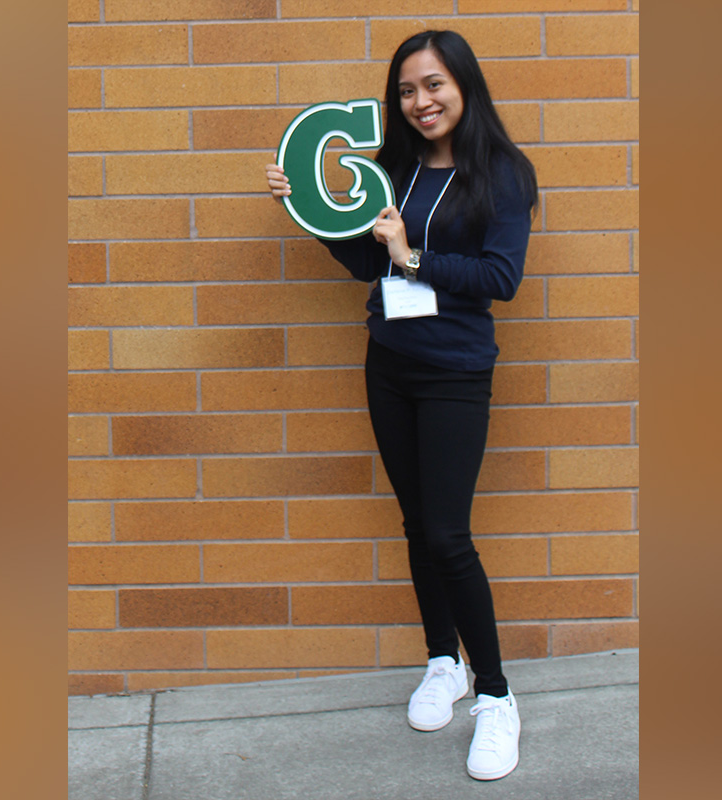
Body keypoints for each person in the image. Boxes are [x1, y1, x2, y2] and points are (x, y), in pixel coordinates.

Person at [265, 30, 538, 782]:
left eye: (434, 85)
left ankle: (497, 697)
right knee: (417, 524)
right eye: (408, 90)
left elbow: (501, 277)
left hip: (455, 373)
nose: (421, 101)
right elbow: (368, 261)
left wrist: (412, 256)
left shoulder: (503, 173)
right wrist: (307, 210)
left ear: (464, 85)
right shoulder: (396, 168)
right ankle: (443, 662)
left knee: (449, 535)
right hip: (389, 363)